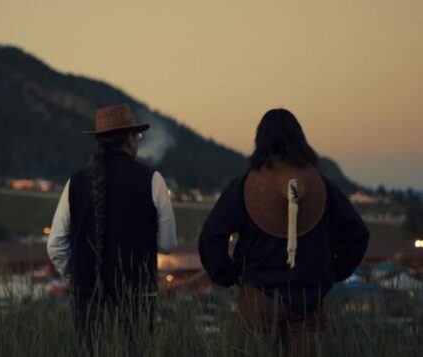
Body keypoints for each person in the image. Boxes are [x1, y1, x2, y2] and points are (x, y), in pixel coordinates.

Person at [198, 108, 369, 356]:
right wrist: (330, 275)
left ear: (260, 141)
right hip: (309, 299)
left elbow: (211, 235)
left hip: (259, 297)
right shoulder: (320, 186)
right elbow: (357, 234)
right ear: (299, 139)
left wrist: (230, 275)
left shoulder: (246, 184)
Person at [47, 104, 177, 345]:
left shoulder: (75, 182)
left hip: (88, 297)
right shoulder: (153, 179)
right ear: (129, 140)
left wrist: (77, 277)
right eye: (136, 136)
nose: (137, 142)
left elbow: (55, 246)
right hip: (138, 297)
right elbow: (168, 244)